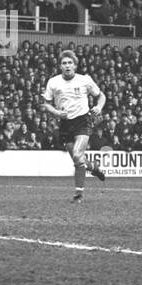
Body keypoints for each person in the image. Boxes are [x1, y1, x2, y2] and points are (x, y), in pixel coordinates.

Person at [41, 49, 106, 202]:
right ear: (60, 66)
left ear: (75, 66)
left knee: (77, 155)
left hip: (83, 121)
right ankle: (93, 168)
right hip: (65, 123)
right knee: (78, 160)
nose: (67, 66)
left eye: (70, 63)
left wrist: (98, 107)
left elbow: (101, 96)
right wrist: (57, 113)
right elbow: (46, 104)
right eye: (64, 63)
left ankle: (78, 195)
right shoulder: (53, 82)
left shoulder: (84, 80)